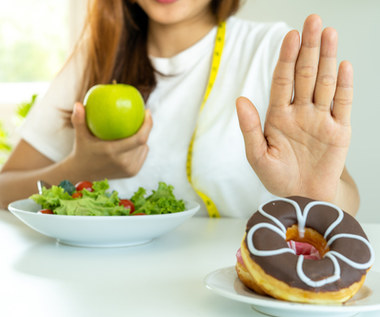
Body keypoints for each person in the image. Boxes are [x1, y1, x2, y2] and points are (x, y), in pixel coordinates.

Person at [0, 0, 359, 217]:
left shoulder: (269, 50)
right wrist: (78, 169)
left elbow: (347, 199)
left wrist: (318, 195)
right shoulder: (95, 61)